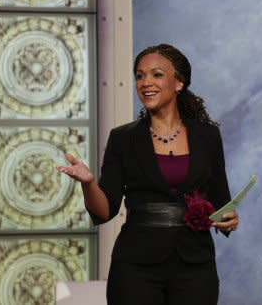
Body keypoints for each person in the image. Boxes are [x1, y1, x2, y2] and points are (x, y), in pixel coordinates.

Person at [57, 43, 238, 305]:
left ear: (179, 83)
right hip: (135, 268)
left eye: (156, 74)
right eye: (139, 76)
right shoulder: (123, 138)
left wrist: (229, 219)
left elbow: (221, 203)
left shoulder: (207, 136)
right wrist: (88, 183)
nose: (145, 83)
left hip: (195, 266)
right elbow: (104, 210)